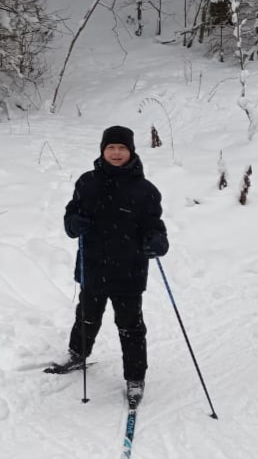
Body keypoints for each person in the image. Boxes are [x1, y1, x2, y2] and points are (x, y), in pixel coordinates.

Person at [49, 125, 169, 405]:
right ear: (103, 150)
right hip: (93, 266)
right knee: (86, 316)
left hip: (129, 270)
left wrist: (157, 240)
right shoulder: (87, 182)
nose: (116, 153)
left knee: (130, 325)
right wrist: (72, 224)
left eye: (122, 148)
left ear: (131, 151)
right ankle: (78, 355)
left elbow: (155, 225)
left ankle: (135, 378)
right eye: (111, 147)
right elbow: (71, 214)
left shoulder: (145, 190)